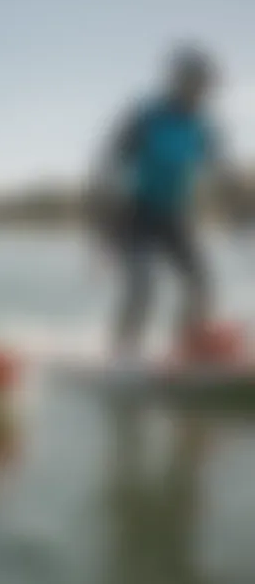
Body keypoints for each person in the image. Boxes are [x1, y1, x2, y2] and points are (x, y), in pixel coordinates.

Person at [89, 44, 240, 359]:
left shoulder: (203, 126)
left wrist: (239, 209)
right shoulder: (145, 116)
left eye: (207, 84)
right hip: (134, 214)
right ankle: (122, 352)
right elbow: (107, 164)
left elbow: (223, 172)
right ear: (178, 80)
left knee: (201, 282)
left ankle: (187, 348)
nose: (203, 90)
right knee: (143, 283)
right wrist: (101, 225)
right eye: (198, 81)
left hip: (174, 217)